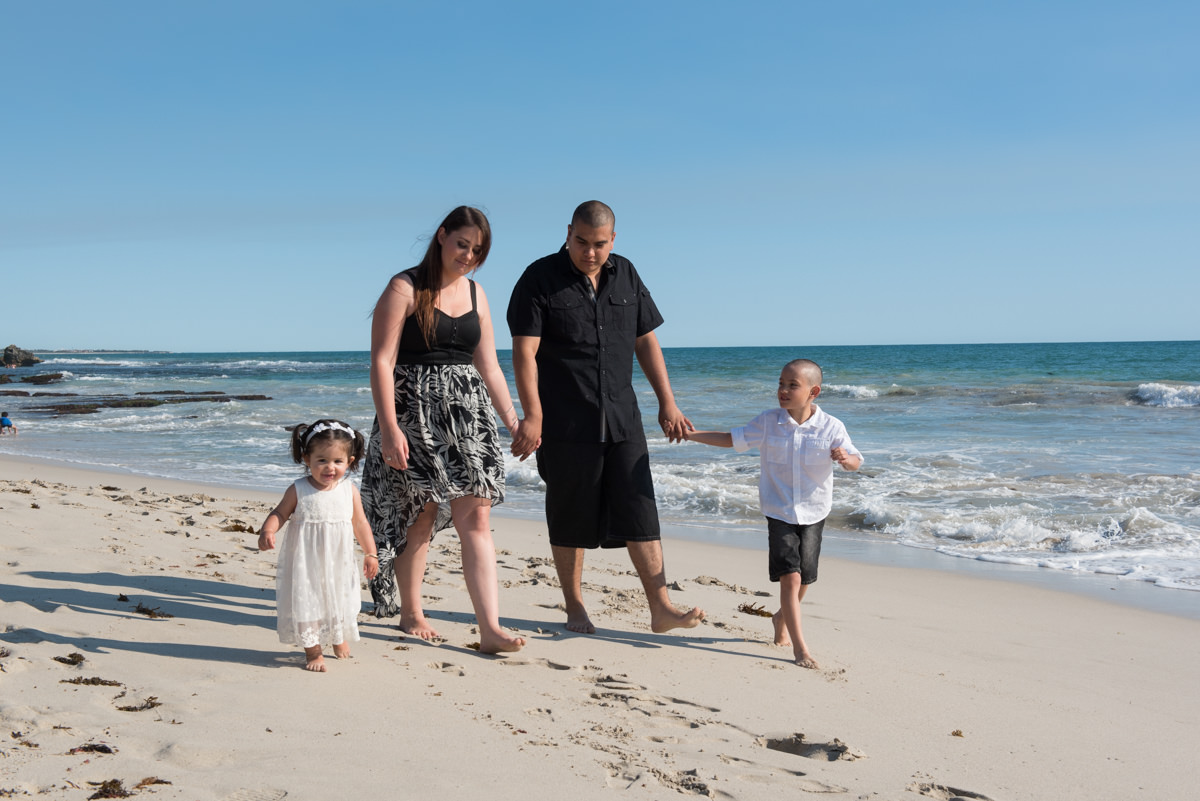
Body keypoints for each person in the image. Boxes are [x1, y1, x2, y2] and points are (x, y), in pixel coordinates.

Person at [507, 200, 705, 635]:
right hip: (565, 420)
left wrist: (667, 402)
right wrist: (532, 416)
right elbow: (525, 353)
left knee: (640, 508)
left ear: (613, 240)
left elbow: (646, 341)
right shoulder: (538, 278)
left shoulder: (627, 273)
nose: (590, 252)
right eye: (581, 242)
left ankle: (661, 607)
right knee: (569, 511)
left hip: (622, 415)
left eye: (599, 244)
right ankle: (575, 607)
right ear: (568, 233)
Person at [362, 206, 525, 655]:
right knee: (421, 513)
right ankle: (412, 613)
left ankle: (490, 628)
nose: (469, 256)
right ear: (441, 236)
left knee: (478, 515)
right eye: (462, 244)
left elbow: (489, 365)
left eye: (478, 251)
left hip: (469, 417)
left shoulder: (477, 294)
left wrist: (513, 420)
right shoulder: (404, 287)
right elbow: (381, 361)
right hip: (413, 412)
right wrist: (391, 428)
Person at [685, 359, 862, 668]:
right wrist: (691, 434)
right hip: (779, 511)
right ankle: (801, 649)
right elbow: (731, 439)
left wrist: (845, 459)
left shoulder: (831, 426)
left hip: (814, 511)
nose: (783, 390)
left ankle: (781, 618)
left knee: (806, 576)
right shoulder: (768, 422)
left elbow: (856, 461)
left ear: (813, 392)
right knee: (790, 579)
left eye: (792, 385)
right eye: (781, 383)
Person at [257, 419, 379, 672]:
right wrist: (268, 529)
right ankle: (313, 652)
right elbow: (280, 513)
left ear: (351, 461)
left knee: (340, 599)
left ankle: (338, 636)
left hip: (338, 562)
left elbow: (360, 523)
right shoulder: (299, 489)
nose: (329, 468)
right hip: (306, 563)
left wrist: (370, 553)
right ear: (306, 459)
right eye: (322, 460)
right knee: (308, 603)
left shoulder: (349, 491)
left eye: (338, 461)